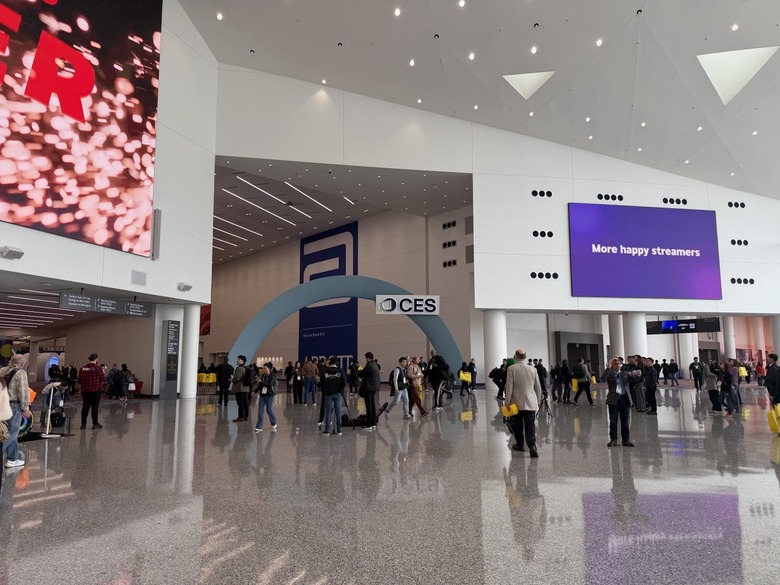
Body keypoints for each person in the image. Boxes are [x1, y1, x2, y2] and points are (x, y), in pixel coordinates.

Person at [504, 348, 541, 457]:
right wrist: (537, 402)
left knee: (517, 426)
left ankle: (520, 444)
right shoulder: (533, 370)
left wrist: (507, 402)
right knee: (530, 425)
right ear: (525, 357)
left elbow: (509, 387)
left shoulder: (511, 369)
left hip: (516, 403)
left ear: (515, 356)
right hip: (530, 402)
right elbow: (538, 388)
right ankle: (532, 446)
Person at [2, 354, 31, 468]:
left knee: (4, 431)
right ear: (22, 363)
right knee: (12, 433)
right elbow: (23, 392)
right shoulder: (21, 373)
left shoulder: (2, 371)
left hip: (2, 405)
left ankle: (12, 459)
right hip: (13, 406)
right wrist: (26, 408)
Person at [604, 357, 634, 447]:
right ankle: (613, 439)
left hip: (624, 399)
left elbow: (635, 377)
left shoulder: (624, 373)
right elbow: (602, 378)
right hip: (613, 400)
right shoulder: (610, 373)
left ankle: (626, 440)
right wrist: (608, 367)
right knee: (613, 421)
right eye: (615, 364)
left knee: (625, 421)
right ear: (612, 365)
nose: (617, 365)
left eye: (619, 363)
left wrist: (637, 371)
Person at [78, 353, 106, 430]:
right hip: (95, 390)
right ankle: (95, 423)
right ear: (96, 359)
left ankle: (83, 424)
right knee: (94, 407)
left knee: (85, 407)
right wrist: (103, 372)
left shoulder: (83, 368)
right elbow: (103, 379)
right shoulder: (98, 368)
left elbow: (79, 380)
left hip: (85, 391)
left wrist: (80, 389)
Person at [320, 356, 346, 436]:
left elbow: (321, 383)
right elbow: (344, 381)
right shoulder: (340, 371)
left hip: (328, 394)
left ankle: (327, 430)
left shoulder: (325, 371)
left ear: (330, 362)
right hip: (338, 394)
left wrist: (324, 391)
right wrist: (341, 391)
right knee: (338, 411)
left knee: (328, 412)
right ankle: (339, 430)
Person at [360, 352, 381, 430]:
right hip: (374, 388)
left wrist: (358, 371)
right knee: (372, 405)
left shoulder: (369, 366)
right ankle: (374, 423)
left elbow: (362, 374)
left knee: (369, 406)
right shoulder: (375, 364)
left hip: (368, 388)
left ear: (368, 358)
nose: (366, 359)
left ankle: (369, 425)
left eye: (366, 358)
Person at [254, 364, 278, 432]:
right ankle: (259, 426)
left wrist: (261, 381)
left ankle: (274, 422)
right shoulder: (263, 376)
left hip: (269, 395)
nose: (264, 370)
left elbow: (269, 384)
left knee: (269, 410)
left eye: (265, 368)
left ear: (269, 369)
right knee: (260, 411)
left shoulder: (273, 376)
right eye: (263, 368)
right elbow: (260, 386)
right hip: (262, 396)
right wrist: (254, 391)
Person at [231, 355, 250, 422]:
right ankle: (246, 416)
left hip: (240, 388)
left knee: (240, 403)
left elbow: (236, 378)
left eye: (239, 359)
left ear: (242, 361)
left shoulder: (239, 368)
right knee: (245, 403)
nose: (237, 360)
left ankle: (240, 416)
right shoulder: (246, 368)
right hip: (246, 388)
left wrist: (232, 380)